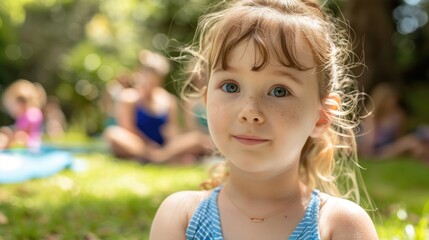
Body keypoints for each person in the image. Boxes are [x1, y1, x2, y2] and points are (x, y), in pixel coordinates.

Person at [150, 0, 379, 239]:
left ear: (321, 116)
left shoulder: (337, 225)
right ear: (206, 100)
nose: (249, 111)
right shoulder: (181, 217)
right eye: (230, 86)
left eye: (279, 90)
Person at [103, 50, 213, 164]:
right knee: (113, 134)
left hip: (165, 148)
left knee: (197, 139)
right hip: (140, 145)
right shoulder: (128, 98)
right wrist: (149, 146)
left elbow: (173, 130)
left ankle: (159, 158)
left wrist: (171, 138)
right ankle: (154, 157)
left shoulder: (168, 100)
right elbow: (128, 129)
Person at [358, 82, 429, 160]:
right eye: (390, 100)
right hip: (377, 149)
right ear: (382, 101)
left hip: (391, 146)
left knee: (417, 144)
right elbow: (370, 141)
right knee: (412, 142)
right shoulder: (371, 115)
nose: (393, 102)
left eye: (394, 99)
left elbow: (399, 136)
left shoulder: (397, 115)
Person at [0, 79, 46, 150]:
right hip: (27, 143)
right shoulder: (24, 115)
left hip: (30, 144)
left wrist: (13, 135)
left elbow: (25, 133)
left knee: (7, 138)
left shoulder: (32, 114)